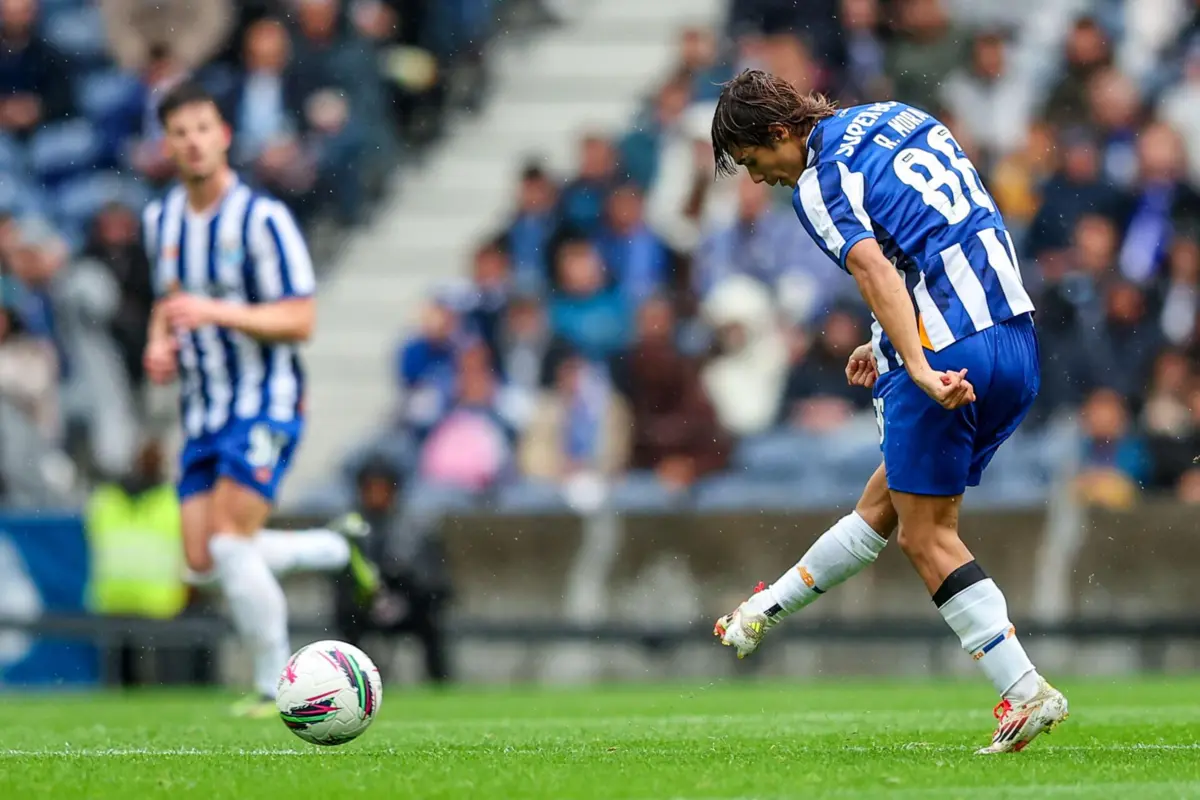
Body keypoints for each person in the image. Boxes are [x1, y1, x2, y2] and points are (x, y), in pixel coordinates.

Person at [708, 71, 1067, 754]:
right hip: (1014, 333)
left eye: (756, 163)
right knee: (890, 505)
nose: (759, 181)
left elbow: (875, 269)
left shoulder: (818, 180)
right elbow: (936, 227)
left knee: (926, 536)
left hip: (947, 342)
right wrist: (887, 344)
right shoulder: (897, 116)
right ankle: (759, 612)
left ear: (780, 133)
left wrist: (919, 363)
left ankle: (1024, 691)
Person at [141, 82, 377, 718]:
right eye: (180, 131)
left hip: (264, 399)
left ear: (223, 135)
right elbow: (169, 303)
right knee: (200, 562)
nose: (192, 141)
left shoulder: (263, 219)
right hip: (202, 409)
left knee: (226, 542)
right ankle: (333, 547)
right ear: (168, 145)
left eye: (202, 128)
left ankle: (276, 685)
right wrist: (158, 344)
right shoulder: (159, 220)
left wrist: (214, 310)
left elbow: (301, 319)